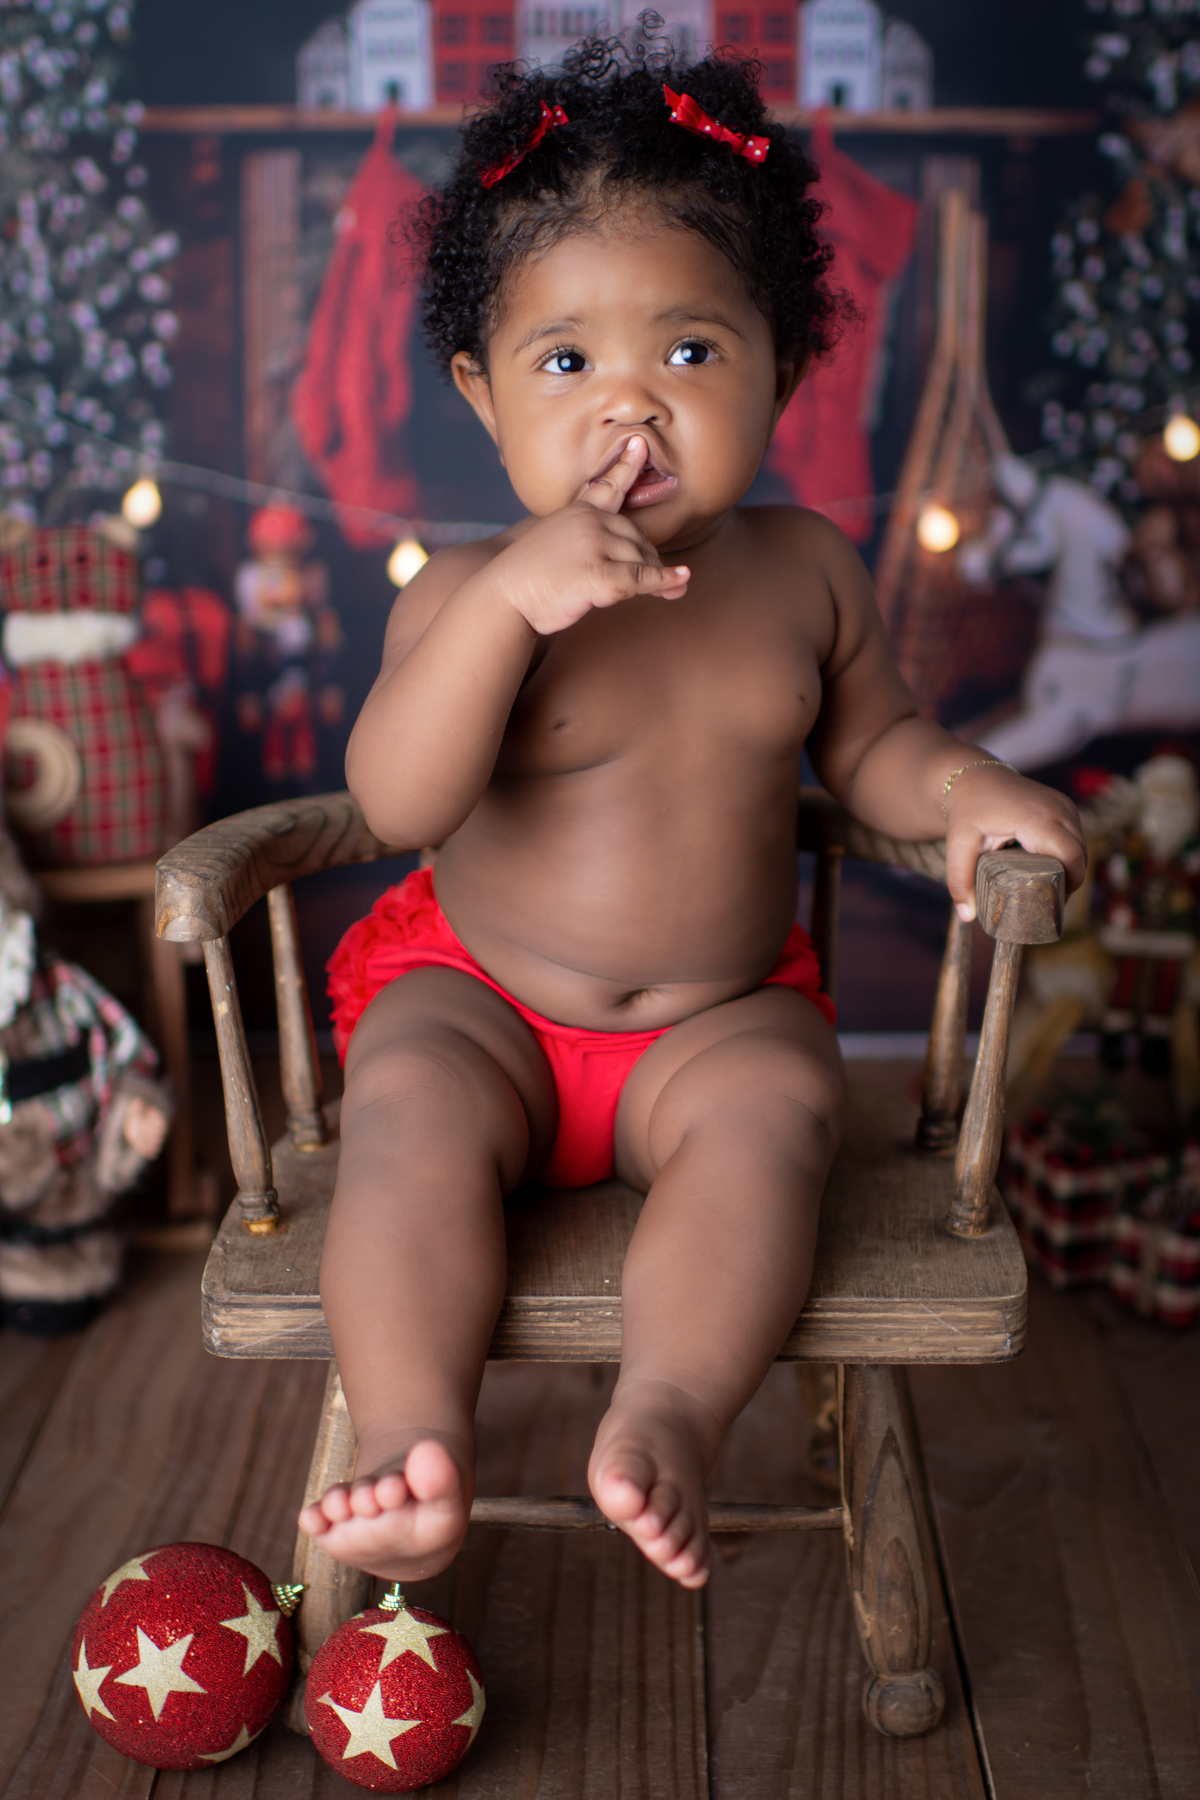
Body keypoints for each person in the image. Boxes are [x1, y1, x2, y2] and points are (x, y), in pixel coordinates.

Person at [299, 44, 1086, 1592]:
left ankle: (663, 1412)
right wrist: (510, 616)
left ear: (787, 370)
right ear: (482, 393)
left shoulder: (805, 576)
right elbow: (396, 799)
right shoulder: (467, 593)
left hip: (717, 1021)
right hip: (484, 1005)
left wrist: (962, 788)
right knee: (404, 1120)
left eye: (694, 354)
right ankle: (409, 1439)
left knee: (777, 1120)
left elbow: (876, 747)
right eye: (567, 363)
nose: (631, 411)